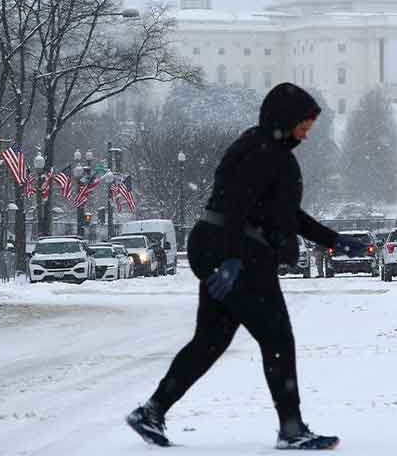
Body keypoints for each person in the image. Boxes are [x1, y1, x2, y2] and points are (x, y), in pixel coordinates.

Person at [127, 83, 351, 450]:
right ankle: (291, 429)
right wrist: (230, 259)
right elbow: (235, 204)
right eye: (304, 126)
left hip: (224, 249)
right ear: (287, 119)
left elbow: (286, 213)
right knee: (277, 339)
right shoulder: (262, 152)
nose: (306, 135)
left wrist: (333, 239)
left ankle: (152, 411)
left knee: (210, 341)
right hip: (238, 254)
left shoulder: (266, 149)